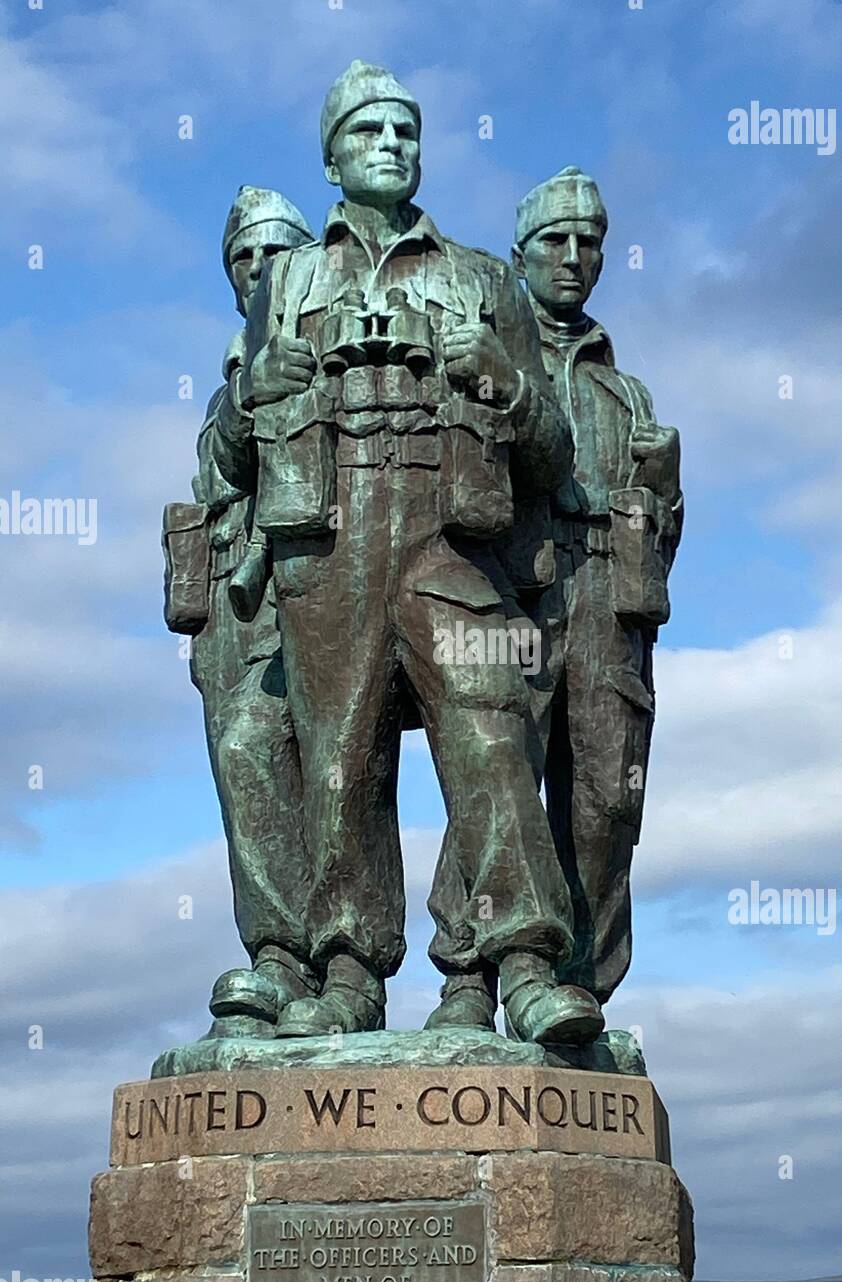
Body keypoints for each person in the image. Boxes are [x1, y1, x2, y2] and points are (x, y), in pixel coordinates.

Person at [221, 64, 605, 1044]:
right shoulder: (289, 280)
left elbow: (556, 449)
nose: (390, 144)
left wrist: (508, 387)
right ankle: (347, 974)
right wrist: (255, 386)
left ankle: (522, 964)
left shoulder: (480, 276)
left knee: (489, 738)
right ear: (332, 155)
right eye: (368, 132)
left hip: (448, 543)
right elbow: (230, 456)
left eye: (405, 129)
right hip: (329, 546)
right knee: (340, 769)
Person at [426, 168, 683, 1028]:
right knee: (497, 767)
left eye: (590, 242)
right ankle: (469, 972)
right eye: (555, 241)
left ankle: (575, 983)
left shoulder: (625, 390)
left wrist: (666, 491)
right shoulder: (485, 357)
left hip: (612, 594)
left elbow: (668, 535)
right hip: (518, 582)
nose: (574, 257)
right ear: (519, 256)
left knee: (609, 797)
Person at [163, 186, 319, 1036]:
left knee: (315, 764)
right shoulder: (234, 368)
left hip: (330, 580)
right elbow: (214, 475)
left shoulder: (333, 343)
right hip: (235, 602)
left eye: (271, 252)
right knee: (247, 764)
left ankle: (340, 963)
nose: (256, 270)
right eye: (241, 258)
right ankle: (279, 961)